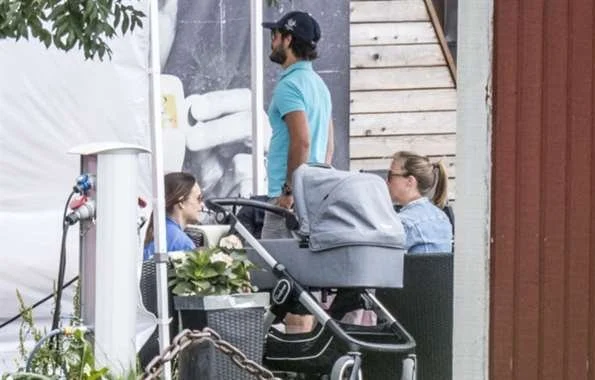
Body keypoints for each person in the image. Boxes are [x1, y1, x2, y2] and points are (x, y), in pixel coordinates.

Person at [261, 10, 334, 239]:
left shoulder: (289, 85)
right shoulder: (319, 84)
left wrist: (289, 191)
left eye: (275, 35)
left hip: (287, 199)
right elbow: (329, 143)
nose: (272, 41)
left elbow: (302, 141)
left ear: (288, 39)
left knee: (269, 269)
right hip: (313, 194)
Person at [387, 151, 453, 253]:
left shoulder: (404, 222)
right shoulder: (442, 217)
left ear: (410, 181)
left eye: (390, 175)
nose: (387, 181)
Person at [143, 172, 204, 260]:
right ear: (181, 202)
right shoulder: (183, 244)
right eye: (199, 198)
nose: (202, 205)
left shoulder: (151, 229)